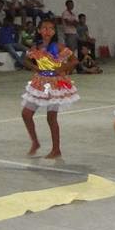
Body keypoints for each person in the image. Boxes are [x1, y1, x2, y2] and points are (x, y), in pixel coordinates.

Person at [21, 18, 78, 159]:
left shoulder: (58, 47)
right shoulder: (36, 47)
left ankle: (56, 149)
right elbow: (26, 60)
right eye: (44, 28)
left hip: (55, 84)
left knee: (51, 117)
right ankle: (35, 142)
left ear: (54, 32)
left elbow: (74, 60)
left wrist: (62, 68)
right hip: (39, 83)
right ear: (39, 30)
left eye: (51, 28)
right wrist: (36, 67)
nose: (47, 31)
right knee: (26, 114)